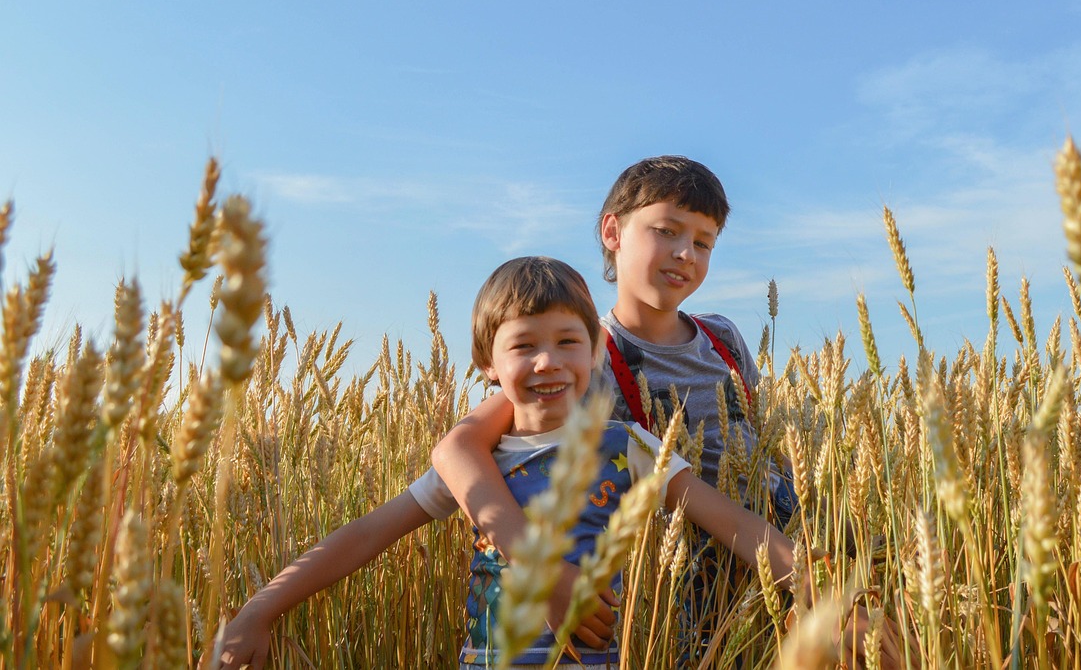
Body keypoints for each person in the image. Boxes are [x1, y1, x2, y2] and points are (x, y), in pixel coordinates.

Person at [218, 256, 796, 669]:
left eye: (568, 341)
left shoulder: (632, 446)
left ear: (596, 351)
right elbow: (367, 535)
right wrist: (259, 609)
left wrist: (830, 594)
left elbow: (738, 527)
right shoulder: (480, 467)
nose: (548, 361)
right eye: (523, 345)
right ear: (486, 363)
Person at [432, 156, 796, 651]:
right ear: (612, 231)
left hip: (776, 551)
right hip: (685, 591)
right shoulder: (580, 359)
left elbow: (762, 442)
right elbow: (459, 447)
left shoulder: (725, 337)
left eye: (703, 243)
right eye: (667, 231)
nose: (686, 253)